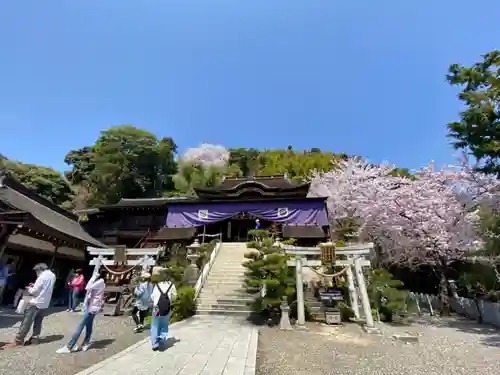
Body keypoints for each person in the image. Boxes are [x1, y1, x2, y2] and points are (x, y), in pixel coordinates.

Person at [2, 263, 56, 349]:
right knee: (38, 321)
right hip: (45, 303)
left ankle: (18, 340)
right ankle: (35, 338)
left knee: (26, 321)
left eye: (36, 272)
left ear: (39, 270)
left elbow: (34, 291)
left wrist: (29, 287)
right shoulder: (53, 275)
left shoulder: (41, 277)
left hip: (35, 302)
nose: (36, 274)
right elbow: (45, 288)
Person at [56, 269, 106, 354]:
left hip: (92, 308)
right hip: (92, 307)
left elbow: (88, 287)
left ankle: (69, 346)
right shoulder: (101, 282)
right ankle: (85, 343)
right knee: (89, 325)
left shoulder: (100, 281)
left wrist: (93, 277)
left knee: (80, 326)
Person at [149, 266, 177, 351]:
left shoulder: (157, 285)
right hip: (166, 307)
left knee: (154, 325)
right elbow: (174, 297)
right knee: (164, 324)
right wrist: (169, 301)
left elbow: (153, 297)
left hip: (156, 308)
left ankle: (154, 343)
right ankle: (161, 339)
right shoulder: (171, 285)